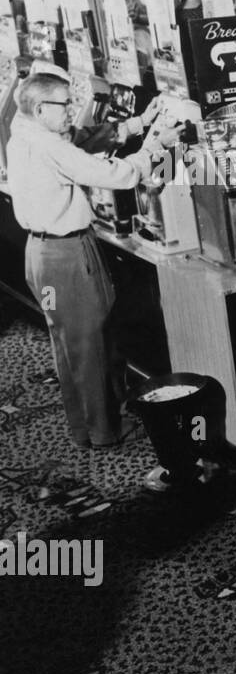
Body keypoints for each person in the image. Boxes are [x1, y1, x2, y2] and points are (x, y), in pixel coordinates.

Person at [6, 70, 178, 449]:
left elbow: (81, 139)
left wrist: (139, 122)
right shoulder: (50, 147)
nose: (71, 110)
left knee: (69, 342)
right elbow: (114, 173)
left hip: (40, 257)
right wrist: (156, 148)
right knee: (92, 343)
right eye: (65, 104)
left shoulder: (27, 131)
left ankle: (86, 424)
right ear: (39, 107)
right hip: (67, 256)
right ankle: (105, 431)